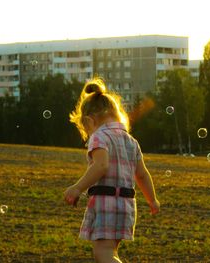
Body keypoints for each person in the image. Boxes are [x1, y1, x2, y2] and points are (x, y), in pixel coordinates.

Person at [64, 77, 160, 263]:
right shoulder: (131, 141)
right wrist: (152, 199)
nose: (88, 134)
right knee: (110, 251)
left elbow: (101, 165)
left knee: (103, 253)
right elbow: (141, 174)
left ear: (89, 120)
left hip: (106, 202)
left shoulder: (99, 137)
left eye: (85, 128)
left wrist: (77, 187)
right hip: (126, 205)